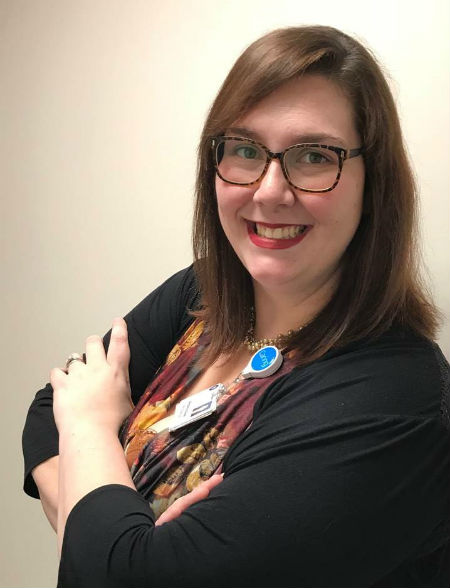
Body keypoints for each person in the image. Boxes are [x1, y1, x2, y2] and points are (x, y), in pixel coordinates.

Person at [22, 25, 449, 588]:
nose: (270, 191)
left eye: (315, 156)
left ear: (376, 183)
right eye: (245, 150)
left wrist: (91, 429)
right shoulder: (203, 294)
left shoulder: (393, 398)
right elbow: (47, 409)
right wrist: (107, 541)